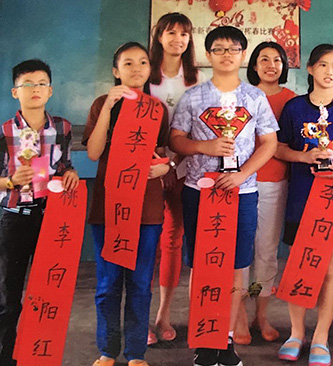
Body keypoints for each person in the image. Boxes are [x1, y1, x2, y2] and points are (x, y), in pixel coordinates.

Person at [170, 26, 279, 366]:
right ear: (208, 56)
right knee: (201, 266)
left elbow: (270, 143)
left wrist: (243, 174)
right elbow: (176, 140)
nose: (227, 54)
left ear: (242, 55)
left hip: (242, 193)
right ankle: (203, 340)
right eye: (219, 49)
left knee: (236, 268)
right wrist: (203, 146)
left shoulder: (255, 98)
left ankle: (226, 338)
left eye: (234, 48)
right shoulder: (193, 97)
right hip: (200, 192)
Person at [276, 43, 333, 366]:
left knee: (330, 270)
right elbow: (278, 149)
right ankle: (296, 333)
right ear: (311, 69)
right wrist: (304, 156)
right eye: (324, 65)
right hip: (303, 199)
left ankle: (321, 337)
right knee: (300, 265)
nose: (330, 72)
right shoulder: (294, 108)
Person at [84, 42, 171, 366]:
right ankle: (107, 350)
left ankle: (136, 353)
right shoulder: (100, 104)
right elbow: (93, 152)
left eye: (143, 62)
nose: (136, 68)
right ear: (115, 70)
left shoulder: (156, 108)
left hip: (146, 208)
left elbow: (165, 153)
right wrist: (108, 107)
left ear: (150, 69)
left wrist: (166, 167)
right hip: (109, 207)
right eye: (128, 63)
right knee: (107, 284)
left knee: (139, 284)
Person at [0, 59, 79, 366]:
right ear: (14, 92)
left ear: (50, 90)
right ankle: (6, 356)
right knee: (9, 295)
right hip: (15, 218)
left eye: (41, 84)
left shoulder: (62, 127)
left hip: (53, 218)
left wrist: (70, 173)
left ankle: (40, 353)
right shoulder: (5, 131)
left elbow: (64, 165)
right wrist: (9, 181)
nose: (35, 89)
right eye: (27, 84)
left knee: (49, 290)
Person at [147, 11, 206, 345]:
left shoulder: (196, 79)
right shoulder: (145, 77)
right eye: (171, 32)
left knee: (173, 239)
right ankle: (141, 315)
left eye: (184, 34)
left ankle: (164, 314)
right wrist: (156, 163)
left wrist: (174, 163)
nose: (178, 39)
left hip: (184, 169)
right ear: (159, 37)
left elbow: (199, 128)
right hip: (147, 172)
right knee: (147, 243)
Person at [233, 41, 296, 345]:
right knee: (240, 252)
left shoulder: (293, 100)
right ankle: (239, 314)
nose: (271, 65)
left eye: (277, 60)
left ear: (285, 65)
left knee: (266, 254)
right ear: (253, 65)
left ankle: (261, 311)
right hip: (241, 184)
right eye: (264, 59)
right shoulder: (240, 96)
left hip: (275, 183)